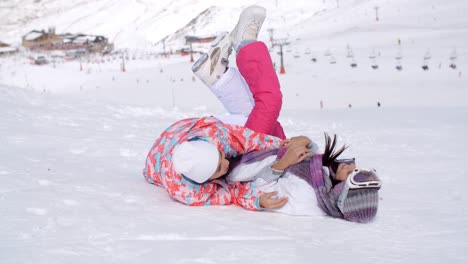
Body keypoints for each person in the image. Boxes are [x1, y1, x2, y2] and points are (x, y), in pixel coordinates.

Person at [144, 5, 288, 211]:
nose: (226, 164)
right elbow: (228, 192)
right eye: (220, 168)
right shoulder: (190, 192)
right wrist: (256, 200)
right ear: (205, 180)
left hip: (191, 132)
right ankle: (217, 75)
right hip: (173, 140)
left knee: (269, 103)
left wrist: (281, 146)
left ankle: (245, 44)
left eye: (221, 157)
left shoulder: (216, 138)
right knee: (263, 121)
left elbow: (249, 141)